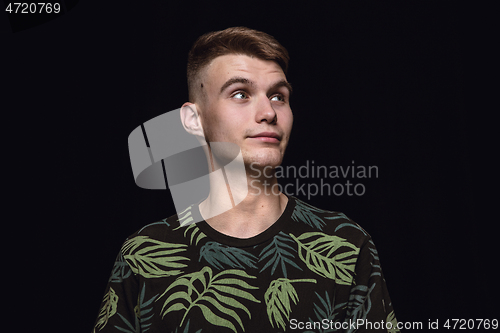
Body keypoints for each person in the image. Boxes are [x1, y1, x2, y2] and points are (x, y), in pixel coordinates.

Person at [92, 27, 400, 333]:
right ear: (194, 120)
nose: (268, 112)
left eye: (279, 96)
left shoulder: (345, 244)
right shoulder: (144, 253)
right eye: (240, 94)